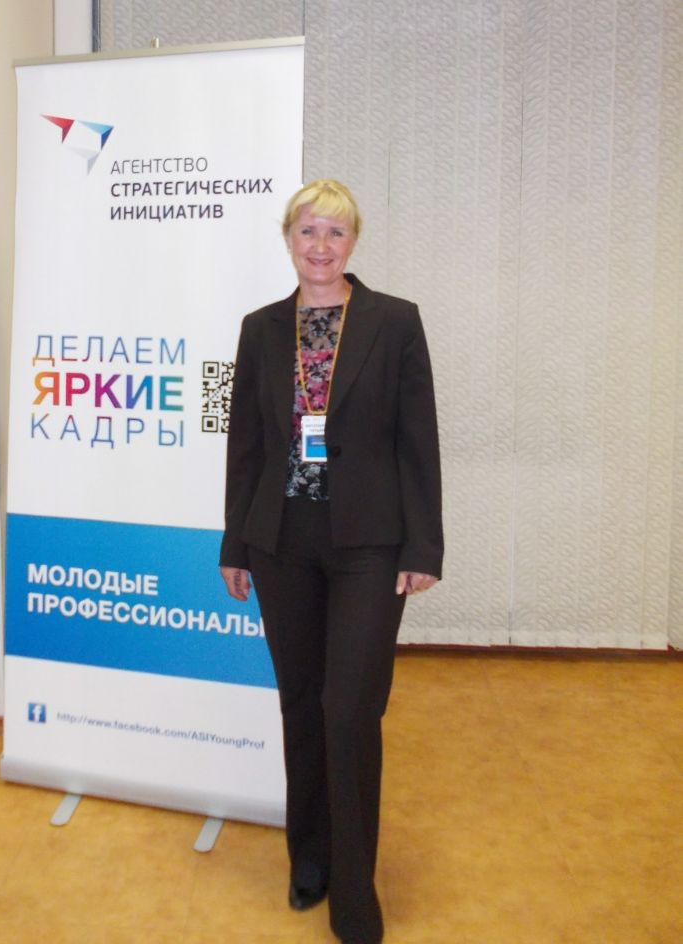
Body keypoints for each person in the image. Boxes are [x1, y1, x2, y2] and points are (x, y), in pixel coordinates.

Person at [220, 178, 443, 944]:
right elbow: (245, 443)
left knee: (349, 710)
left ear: (353, 242)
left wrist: (423, 545)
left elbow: (418, 439)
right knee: (302, 704)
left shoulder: (395, 321)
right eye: (308, 231)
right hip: (280, 540)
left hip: (369, 544)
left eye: (336, 233)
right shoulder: (259, 329)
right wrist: (234, 542)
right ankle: (308, 858)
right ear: (289, 239)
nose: (321, 246)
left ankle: (354, 885)